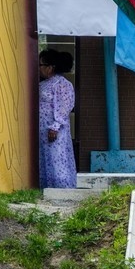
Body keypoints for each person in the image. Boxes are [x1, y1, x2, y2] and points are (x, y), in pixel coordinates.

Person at [38, 49, 77, 188]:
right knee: (46, 159)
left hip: (55, 130)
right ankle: (46, 188)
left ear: (50, 67)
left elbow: (64, 106)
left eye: (41, 65)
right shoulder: (43, 84)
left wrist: (55, 126)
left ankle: (62, 190)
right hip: (42, 130)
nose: (39, 68)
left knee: (57, 159)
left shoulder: (62, 84)